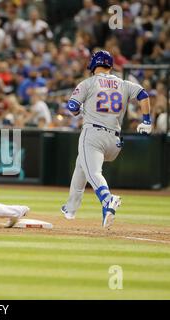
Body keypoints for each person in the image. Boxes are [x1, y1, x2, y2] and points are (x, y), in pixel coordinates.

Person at [61, 50, 152, 228]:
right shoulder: (124, 83)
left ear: (94, 65)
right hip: (115, 141)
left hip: (93, 135)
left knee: (93, 172)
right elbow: (143, 95)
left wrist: (80, 110)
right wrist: (147, 121)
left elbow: (72, 107)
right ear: (110, 66)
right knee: (82, 165)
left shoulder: (88, 83)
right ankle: (71, 208)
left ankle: (107, 199)